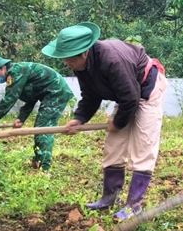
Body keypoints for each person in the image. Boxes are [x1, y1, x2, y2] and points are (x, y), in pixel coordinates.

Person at [42, 22, 168, 220]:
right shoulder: (80, 64)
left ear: (84, 53)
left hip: (146, 89)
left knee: (142, 146)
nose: (68, 64)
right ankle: (110, 197)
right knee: (114, 145)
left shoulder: (112, 61)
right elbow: (90, 95)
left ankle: (133, 205)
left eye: (70, 60)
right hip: (128, 94)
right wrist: (80, 118)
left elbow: (131, 98)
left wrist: (117, 123)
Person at [0, 56, 74, 172]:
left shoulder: (16, 72)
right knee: (40, 129)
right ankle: (37, 160)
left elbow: (10, 99)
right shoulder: (17, 73)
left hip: (56, 93)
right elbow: (31, 97)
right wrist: (21, 118)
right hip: (50, 93)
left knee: (43, 130)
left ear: (2, 68)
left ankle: (44, 169)